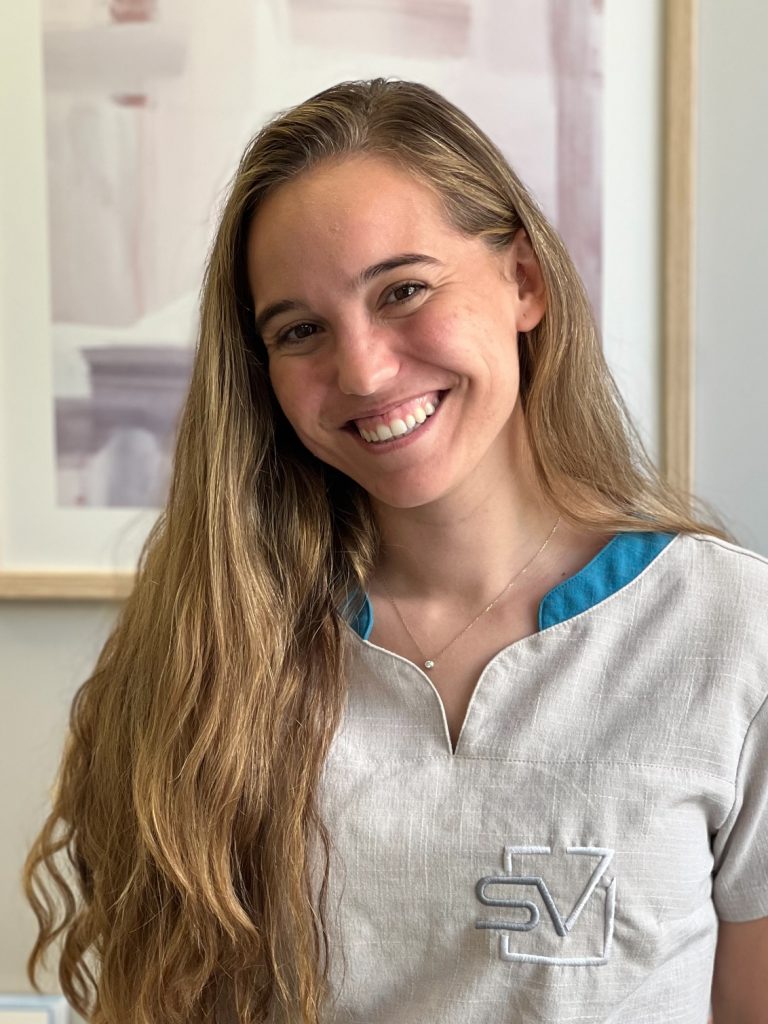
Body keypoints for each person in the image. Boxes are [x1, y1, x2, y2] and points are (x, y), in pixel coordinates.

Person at [23, 79, 768, 1024]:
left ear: (524, 281)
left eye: (404, 290)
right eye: (301, 330)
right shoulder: (205, 651)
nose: (365, 370)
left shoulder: (732, 635)